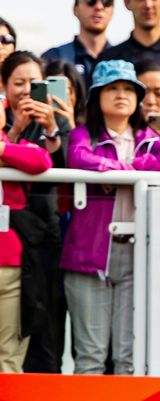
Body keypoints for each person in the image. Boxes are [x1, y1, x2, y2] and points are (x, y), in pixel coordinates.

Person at [62, 59, 160, 376]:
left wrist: (120, 172)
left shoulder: (149, 137)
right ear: (97, 98)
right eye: (112, 88)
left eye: (129, 89)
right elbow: (79, 159)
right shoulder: (82, 135)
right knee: (90, 356)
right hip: (89, 256)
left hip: (137, 254)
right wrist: (136, 170)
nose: (121, 95)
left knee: (128, 358)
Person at [5, 52, 72, 375]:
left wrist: (53, 130)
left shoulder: (59, 121)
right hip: (13, 244)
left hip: (45, 240)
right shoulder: (4, 123)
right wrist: (14, 133)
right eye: (18, 83)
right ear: (4, 87)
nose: (26, 90)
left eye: (34, 83)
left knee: (43, 336)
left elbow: (57, 168)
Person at [0, 116, 53, 372]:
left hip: (14, 266)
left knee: (8, 357)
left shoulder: (15, 145)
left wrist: (2, 150)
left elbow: (41, 160)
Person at [41, 0, 114, 83]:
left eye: (106, 1)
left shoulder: (123, 60)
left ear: (113, 11)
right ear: (75, 9)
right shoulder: (53, 58)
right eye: (91, 1)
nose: (99, 7)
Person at [42, 59, 86, 129]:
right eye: (53, 89)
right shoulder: (34, 125)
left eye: (67, 89)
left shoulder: (89, 130)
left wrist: (70, 127)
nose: (57, 98)